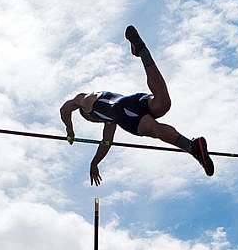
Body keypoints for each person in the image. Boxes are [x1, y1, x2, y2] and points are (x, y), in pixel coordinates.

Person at [60, 25, 214, 186]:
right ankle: (142, 51)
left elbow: (64, 109)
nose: (96, 122)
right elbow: (106, 143)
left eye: (92, 121)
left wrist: (69, 129)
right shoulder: (109, 121)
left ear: (87, 115)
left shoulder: (86, 102)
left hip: (123, 111)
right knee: (162, 103)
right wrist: (94, 163)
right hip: (133, 100)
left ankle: (191, 146)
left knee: (153, 128)